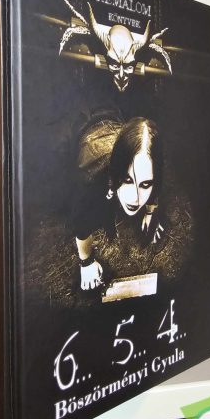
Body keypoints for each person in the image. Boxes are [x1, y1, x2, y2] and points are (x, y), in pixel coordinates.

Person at [73, 117, 165, 290]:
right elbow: (81, 223)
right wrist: (86, 262)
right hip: (84, 121)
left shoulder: (153, 170)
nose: (135, 198)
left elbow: (156, 183)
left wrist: (150, 213)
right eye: (127, 180)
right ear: (115, 173)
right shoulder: (93, 179)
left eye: (145, 184)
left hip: (113, 116)